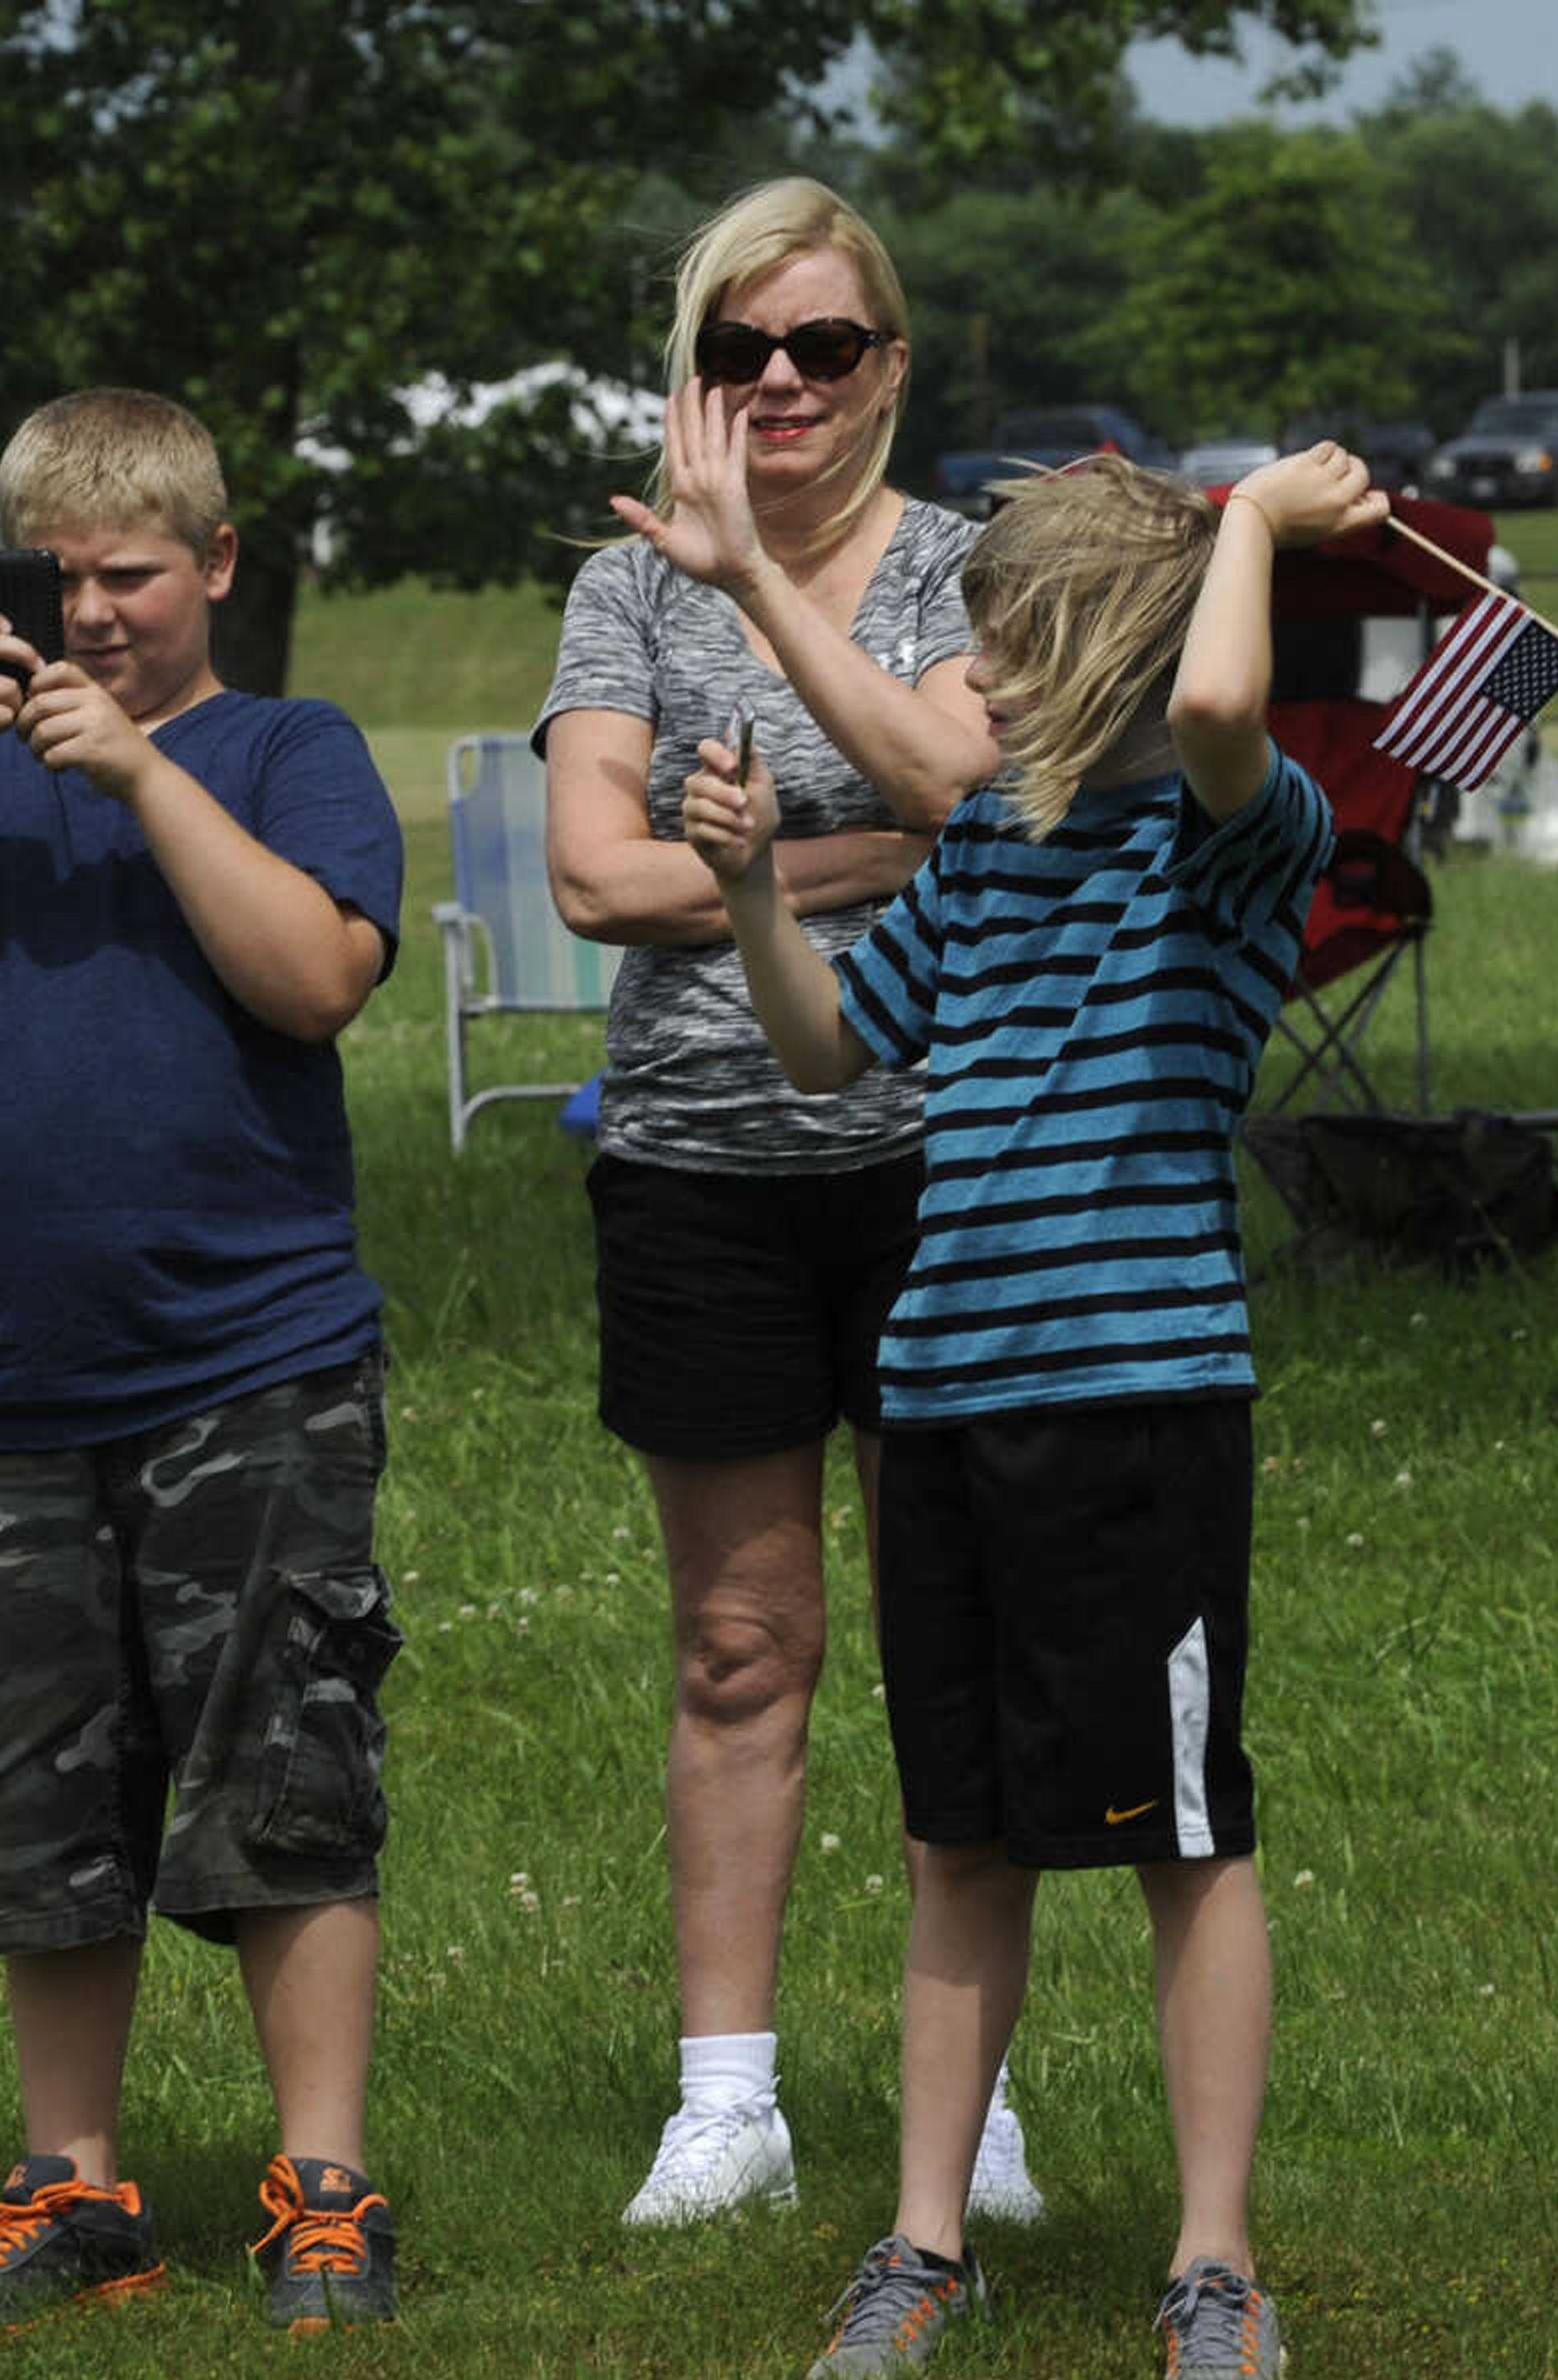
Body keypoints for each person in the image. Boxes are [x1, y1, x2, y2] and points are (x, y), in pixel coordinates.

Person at [682, 443, 1364, 2380]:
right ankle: (920, 2245)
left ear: (1094, 648)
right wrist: (746, 893)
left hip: (1132, 1409)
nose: (958, 683)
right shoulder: (984, 851)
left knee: (1180, 1829)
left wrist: (1238, 517)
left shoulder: (1232, 831)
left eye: (993, 643)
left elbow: (1224, 699)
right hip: (950, 1403)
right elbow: (827, 1053)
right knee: (957, 1840)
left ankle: (1213, 2265)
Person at [0, 389, 408, 2334]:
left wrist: (146, 778)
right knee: (28, 1801)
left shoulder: (282, 748)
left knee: (281, 1762)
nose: (85, 620)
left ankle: (321, 2183)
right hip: (0, 1379)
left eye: (126, 579)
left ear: (214, 567)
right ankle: (70, 2188)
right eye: (48, 582)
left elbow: (314, 975)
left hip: (246, 1359)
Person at [532, 176, 1039, 2226]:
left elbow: (963, 778)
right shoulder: (622, 589)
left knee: (955, 1634)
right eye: (734, 351)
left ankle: (970, 2097)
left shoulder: (977, 568)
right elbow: (586, 880)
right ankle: (722, 2097)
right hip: (700, 1167)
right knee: (738, 1645)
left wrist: (767, 835)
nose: (776, 384)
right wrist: (846, 866)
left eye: (819, 347)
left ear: (887, 367)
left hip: (946, 1161)